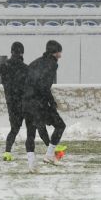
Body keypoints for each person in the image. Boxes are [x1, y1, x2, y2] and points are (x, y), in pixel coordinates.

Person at [0, 42, 51, 161]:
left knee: (14, 129)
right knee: (37, 126)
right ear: (22, 52)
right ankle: (51, 149)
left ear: (11, 52)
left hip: (12, 104)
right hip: (26, 103)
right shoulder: (25, 68)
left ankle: (7, 152)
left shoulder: (4, 66)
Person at [22, 40, 66, 173]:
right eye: (59, 52)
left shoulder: (36, 62)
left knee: (30, 133)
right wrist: (51, 102)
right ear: (54, 52)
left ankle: (31, 164)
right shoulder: (52, 64)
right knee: (60, 125)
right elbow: (44, 85)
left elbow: (27, 80)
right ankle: (49, 155)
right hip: (39, 102)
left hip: (26, 101)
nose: (60, 55)